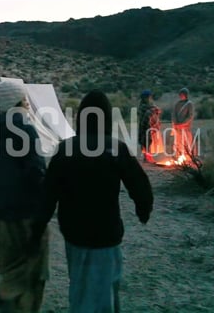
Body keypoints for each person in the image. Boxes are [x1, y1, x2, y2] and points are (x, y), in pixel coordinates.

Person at [31, 89, 153, 313]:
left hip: (75, 234)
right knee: (106, 288)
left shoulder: (66, 149)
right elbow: (140, 184)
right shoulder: (115, 148)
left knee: (80, 286)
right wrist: (143, 210)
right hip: (107, 234)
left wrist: (37, 228)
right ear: (106, 117)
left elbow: (48, 194)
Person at [0, 80, 49, 313]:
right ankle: (6, 292)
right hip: (25, 212)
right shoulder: (25, 129)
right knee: (35, 267)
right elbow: (36, 170)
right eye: (25, 100)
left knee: (8, 264)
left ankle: (14, 303)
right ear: (17, 103)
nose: (28, 104)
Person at [137, 90, 163, 163]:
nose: (149, 98)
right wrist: (152, 111)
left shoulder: (151, 106)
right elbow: (143, 115)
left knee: (149, 141)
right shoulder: (142, 106)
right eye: (148, 97)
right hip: (144, 126)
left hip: (150, 126)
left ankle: (148, 157)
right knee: (145, 141)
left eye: (149, 97)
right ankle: (147, 157)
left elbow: (157, 111)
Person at [171, 87, 195, 159]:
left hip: (185, 127)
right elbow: (174, 114)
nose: (181, 96)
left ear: (186, 95)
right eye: (180, 94)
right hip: (177, 127)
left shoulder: (189, 104)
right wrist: (175, 123)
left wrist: (183, 124)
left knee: (186, 142)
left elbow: (190, 116)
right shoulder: (177, 104)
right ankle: (178, 157)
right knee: (178, 143)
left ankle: (187, 157)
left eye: (182, 94)